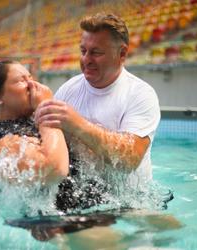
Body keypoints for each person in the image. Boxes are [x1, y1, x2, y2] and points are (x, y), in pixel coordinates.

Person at [35, 13, 160, 185]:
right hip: (82, 197)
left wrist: (77, 124)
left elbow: (130, 159)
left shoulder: (140, 94)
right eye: (83, 51)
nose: (86, 60)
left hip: (131, 203)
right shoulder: (68, 90)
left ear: (122, 53)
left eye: (96, 53)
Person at [0, 60, 69, 183]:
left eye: (30, 78)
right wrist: (46, 108)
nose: (33, 85)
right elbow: (54, 169)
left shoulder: (31, 124)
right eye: (22, 81)